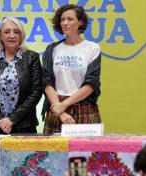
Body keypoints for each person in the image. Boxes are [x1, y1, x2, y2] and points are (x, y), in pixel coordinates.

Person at [0, 17, 43, 135]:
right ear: (0, 36)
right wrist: (0, 121)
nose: (12, 35)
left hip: (25, 126)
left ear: (21, 36)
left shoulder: (32, 57)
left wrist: (11, 119)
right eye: (7, 32)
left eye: (16, 32)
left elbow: (36, 92)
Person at [42, 4, 102, 133]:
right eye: (62, 19)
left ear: (80, 22)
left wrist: (64, 105)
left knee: (86, 152)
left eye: (70, 19)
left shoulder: (92, 48)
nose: (65, 23)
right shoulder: (52, 49)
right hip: (56, 107)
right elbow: (46, 81)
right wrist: (60, 110)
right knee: (52, 152)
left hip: (83, 106)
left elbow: (91, 83)